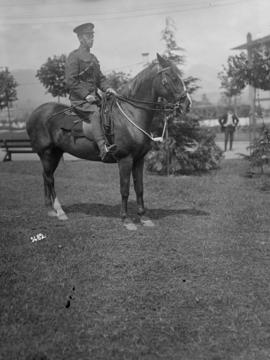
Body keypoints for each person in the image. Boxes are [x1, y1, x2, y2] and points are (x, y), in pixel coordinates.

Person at [65, 22, 117, 161]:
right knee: (95, 113)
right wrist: (85, 95)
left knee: (110, 110)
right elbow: (70, 81)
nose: (92, 39)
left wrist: (108, 88)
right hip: (80, 100)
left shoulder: (93, 59)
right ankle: (103, 148)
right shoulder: (74, 57)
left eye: (92, 36)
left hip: (94, 98)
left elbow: (100, 79)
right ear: (81, 38)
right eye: (88, 36)